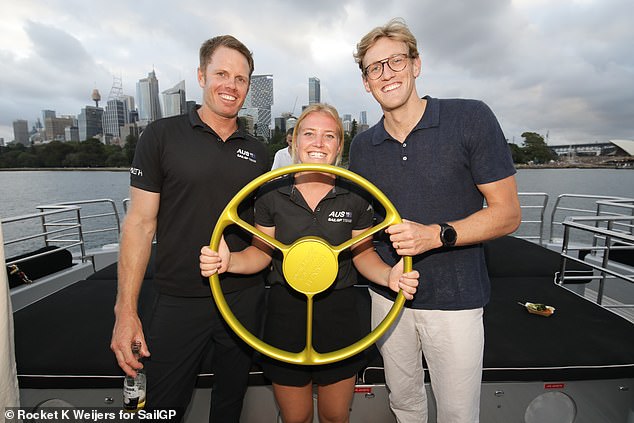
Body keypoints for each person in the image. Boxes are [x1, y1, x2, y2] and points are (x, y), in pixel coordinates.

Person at [200, 103, 419, 423]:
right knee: (296, 417)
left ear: (339, 147)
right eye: (310, 134)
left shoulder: (355, 194)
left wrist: (390, 277)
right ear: (293, 142)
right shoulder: (272, 192)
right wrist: (228, 260)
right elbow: (261, 254)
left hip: (338, 313)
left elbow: (363, 254)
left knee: (335, 415)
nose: (318, 142)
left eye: (329, 135)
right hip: (284, 313)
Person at [349, 18, 522, 423]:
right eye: (375, 68)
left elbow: (508, 213)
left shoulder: (470, 118)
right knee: (405, 403)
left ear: (416, 64)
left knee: (458, 414)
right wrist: (383, 276)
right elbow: (362, 233)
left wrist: (437, 235)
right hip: (388, 299)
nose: (386, 74)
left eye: (395, 62)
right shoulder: (362, 147)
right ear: (365, 82)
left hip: (456, 304)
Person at [110, 35, 269, 422]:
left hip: (242, 298)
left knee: (229, 405)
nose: (231, 86)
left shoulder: (259, 151)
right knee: (162, 407)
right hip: (179, 297)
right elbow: (139, 224)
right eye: (222, 74)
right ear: (201, 75)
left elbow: (265, 233)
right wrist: (125, 311)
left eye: (241, 79)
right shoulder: (161, 135)